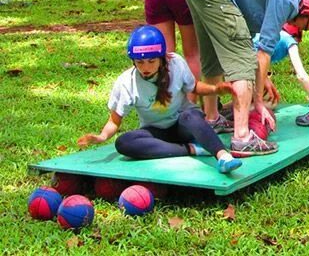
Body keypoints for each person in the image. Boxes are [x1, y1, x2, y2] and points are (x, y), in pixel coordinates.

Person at [182, 0, 309, 154]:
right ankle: (242, 137)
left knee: (213, 57)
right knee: (241, 62)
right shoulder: (287, 0)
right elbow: (261, 53)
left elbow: (249, 41)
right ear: (307, 12)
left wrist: (261, 79)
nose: (300, 29)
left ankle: (212, 118)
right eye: (308, 26)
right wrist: (258, 102)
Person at [77, 26, 242, 174]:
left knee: (191, 116)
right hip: (155, 133)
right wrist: (101, 137)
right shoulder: (126, 82)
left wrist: (215, 89)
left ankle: (223, 156)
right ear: (133, 61)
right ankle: (193, 149)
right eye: (140, 62)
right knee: (123, 143)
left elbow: (193, 87)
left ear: (162, 58)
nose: (145, 68)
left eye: (151, 61)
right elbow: (114, 121)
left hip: (182, 124)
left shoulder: (176, 63)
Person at [254, 23, 309, 106]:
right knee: (271, 102)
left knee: (249, 98)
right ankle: (241, 113)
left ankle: (236, 109)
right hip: (248, 67)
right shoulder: (289, 41)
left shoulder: (273, 35)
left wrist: (264, 77)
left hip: (240, 63)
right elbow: (301, 76)